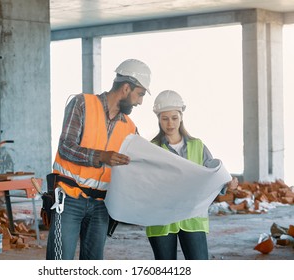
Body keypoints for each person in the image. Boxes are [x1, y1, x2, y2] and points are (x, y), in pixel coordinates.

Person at [46, 59, 152, 260]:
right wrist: (101, 157)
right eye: (140, 94)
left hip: (102, 205)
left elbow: (140, 163)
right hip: (69, 198)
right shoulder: (82, 104)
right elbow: (66, 147)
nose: (140, 102)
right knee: (59, 262)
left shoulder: (130, 127)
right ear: (126, 88)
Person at [147, 90, 238, 260]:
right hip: (161, 219)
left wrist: (227, 183)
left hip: (192, 218)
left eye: (174, 117)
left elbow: (213, 175)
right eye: (164, 118)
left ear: (181, 117)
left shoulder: (198, 146)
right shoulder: (151, 148)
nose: (170, 123)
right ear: (158, 119)